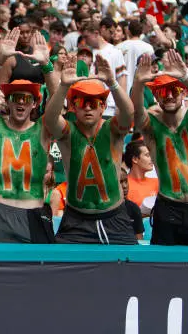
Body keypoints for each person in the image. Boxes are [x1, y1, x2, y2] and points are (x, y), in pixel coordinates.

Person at [44, 54, 136, 245]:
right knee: (63, 269)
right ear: (72, 108)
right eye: (81, 103)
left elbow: (128, 114)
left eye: (93, 103)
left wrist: (112, 83)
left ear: (102, 107)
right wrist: (63, 86)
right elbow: (51, 119)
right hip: (76, 220)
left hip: (114, 218)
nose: (87, 108)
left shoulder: (112, 129)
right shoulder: (68, 133)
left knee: (128, 270)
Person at [0, 28, 57, 243]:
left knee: (39, 272)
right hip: (1, 213)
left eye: (26, 98)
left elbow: (58, 99)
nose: (21, 102)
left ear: (34, 103)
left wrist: (46, 65)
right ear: (8, 101)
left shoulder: (43, 129)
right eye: (16, 97)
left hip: (34, 212)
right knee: (1, 274)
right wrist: (1, 58)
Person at [131, 50, 188, 245]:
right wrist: (139, 83)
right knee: (163, 267)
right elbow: (136, 112)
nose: (168, 96)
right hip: (167, 208)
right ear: (156, 97)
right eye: (162, 92)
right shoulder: (152, 127)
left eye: (174, 90)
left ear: (183, 92)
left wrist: (185, 76)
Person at [122, 139, 159, 208]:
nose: (152, 158)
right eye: (147, 155)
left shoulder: (157, 182)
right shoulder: (124, 185)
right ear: (135, 159)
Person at [119, 169, 144, 240]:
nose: (124, 186)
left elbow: (139, 240)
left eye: (126, 181)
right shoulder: (103, 210)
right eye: (120, 182)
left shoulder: (134, 208)